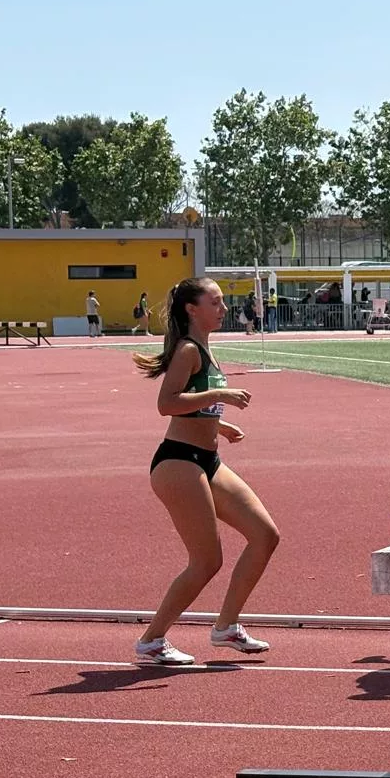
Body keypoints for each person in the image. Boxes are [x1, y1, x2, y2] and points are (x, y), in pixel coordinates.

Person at [131, 277, 280, 665]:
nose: (224, 309)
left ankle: (226, 626)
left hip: (207, 460)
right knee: (206, 561)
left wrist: (219, 425)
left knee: (265, 535)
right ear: (192, 310)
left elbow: (193, 407)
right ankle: (151, 640)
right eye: (215, 302)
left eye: (223, 302)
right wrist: (218, 395)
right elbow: (167, 404)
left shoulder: (205, 348)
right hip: (178, 462)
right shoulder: (187, 350)